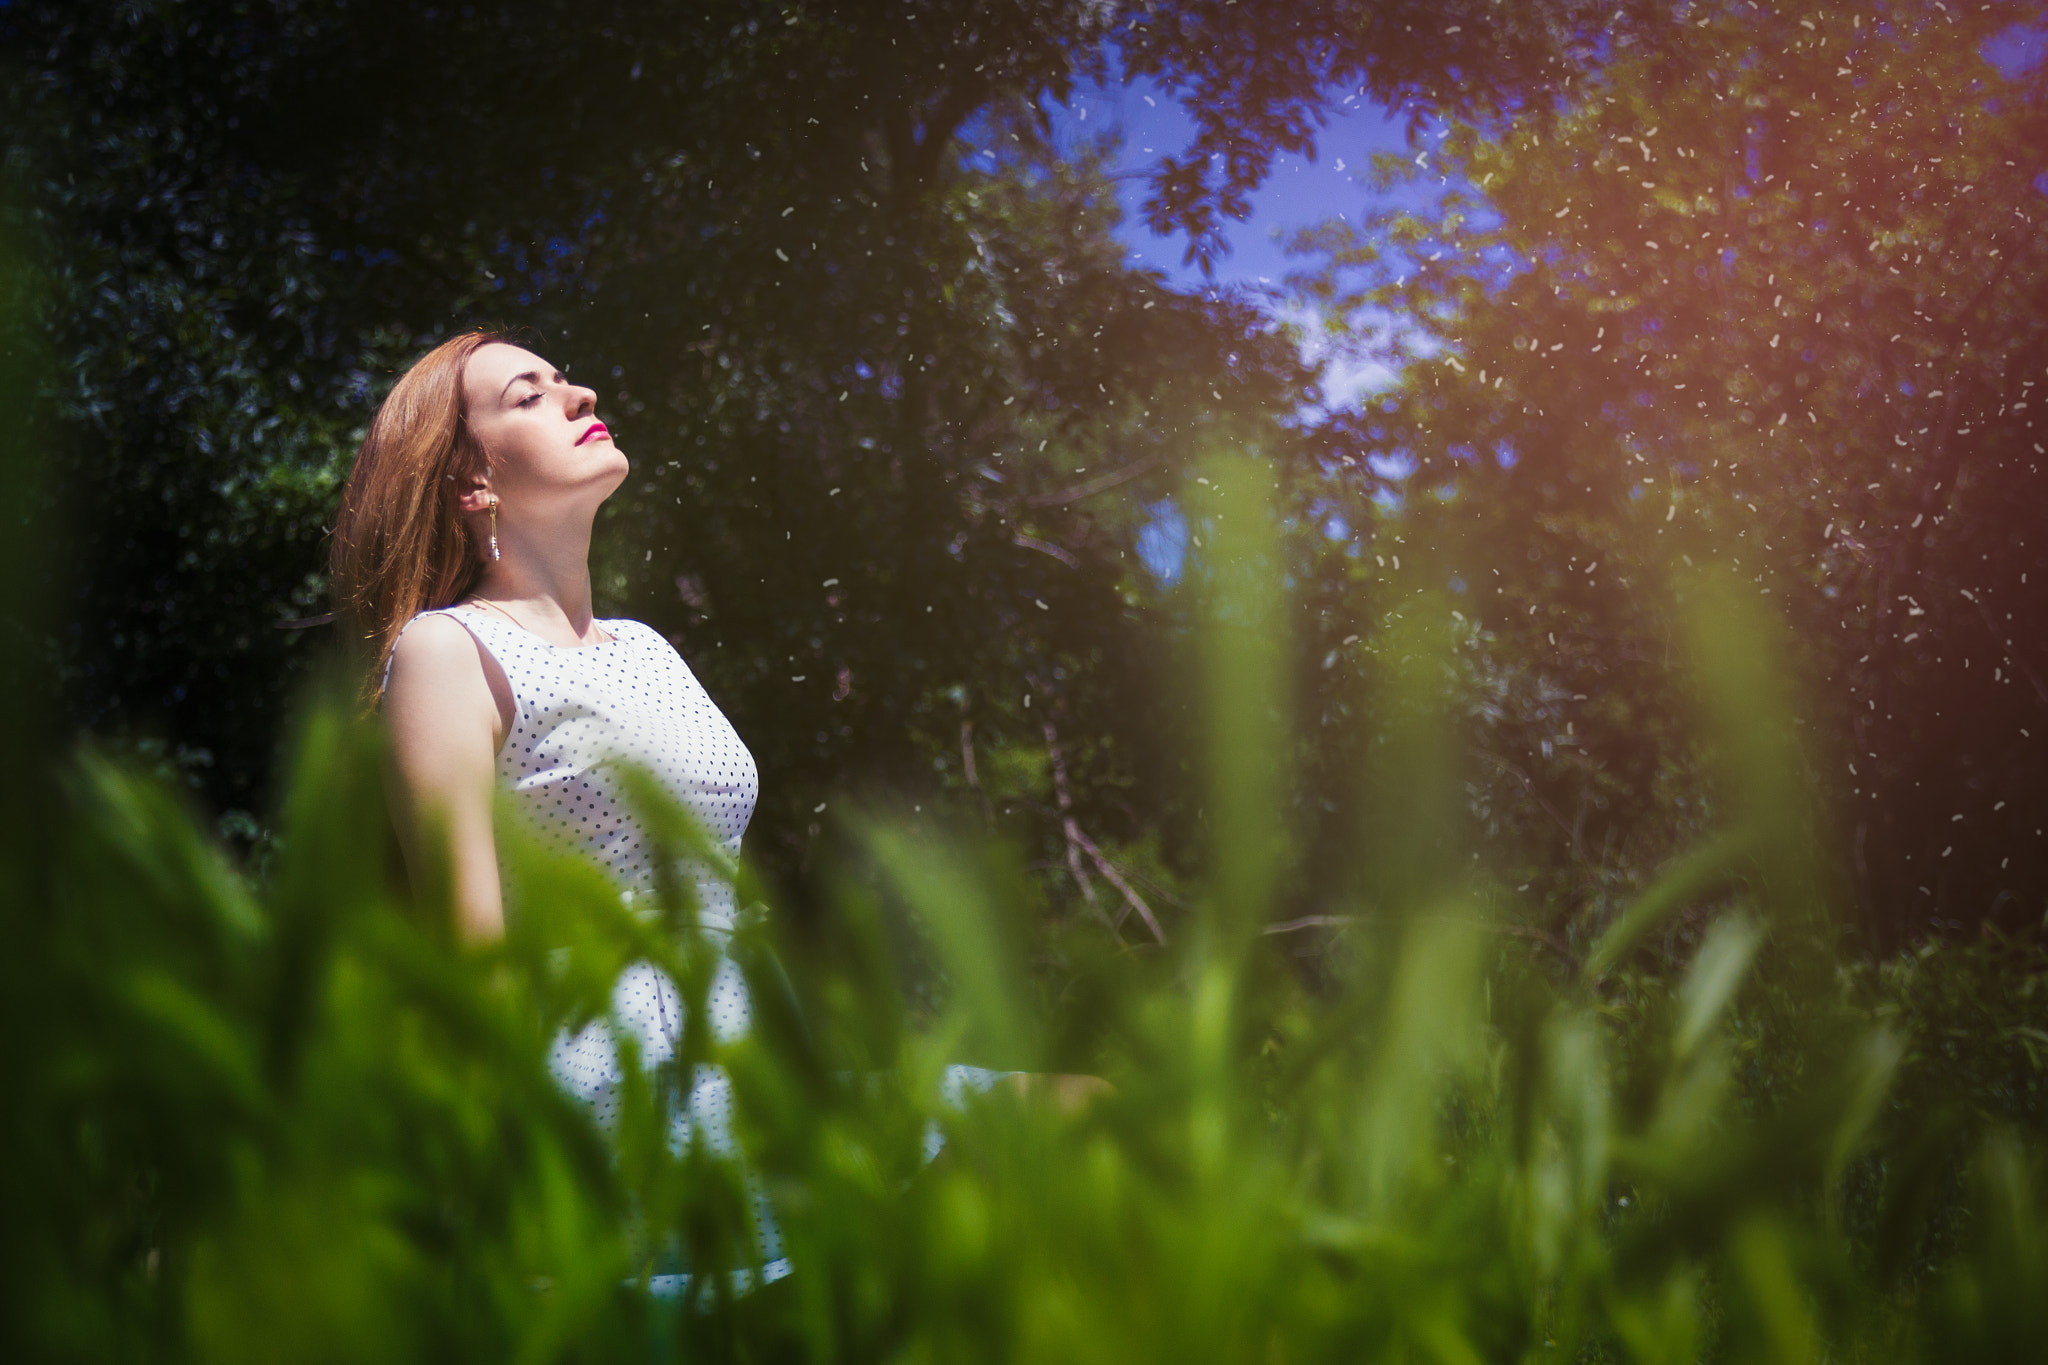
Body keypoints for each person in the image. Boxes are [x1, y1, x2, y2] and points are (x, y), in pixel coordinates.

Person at [329, 331, 1025, 1291]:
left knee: (1076, 1126)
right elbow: (470, 959)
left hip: (758, 1051)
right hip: (624, 1088)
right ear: (469, 484)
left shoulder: (649, 648)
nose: (580, 395)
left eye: (568, 377)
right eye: (529, 395)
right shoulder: (446, 651)